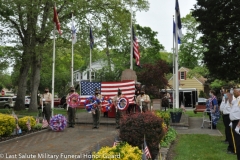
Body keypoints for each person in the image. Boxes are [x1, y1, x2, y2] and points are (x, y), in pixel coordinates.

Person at [229, 88, 240, 158]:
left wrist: (238, 125)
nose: (234, 93)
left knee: (238, 143)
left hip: (238, 123)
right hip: (234, 122)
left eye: (235, 92)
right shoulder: (236, 100)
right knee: (236, 142)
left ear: (239, 92)